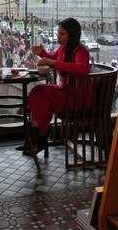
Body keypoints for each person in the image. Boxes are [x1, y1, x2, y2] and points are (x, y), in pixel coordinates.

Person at [24, 18, 91, 155]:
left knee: (41, 95)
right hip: (65, 91)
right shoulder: (63, 48)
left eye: (62, 34)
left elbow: (81, 68)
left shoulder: (81, 51)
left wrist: (53, 63)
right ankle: (37, 139)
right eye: (58, 33)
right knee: (37, 91)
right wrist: (41, 52)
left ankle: (37, 139)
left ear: (72, 34)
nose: (58, 37)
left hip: (78, 98)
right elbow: (51, 57)